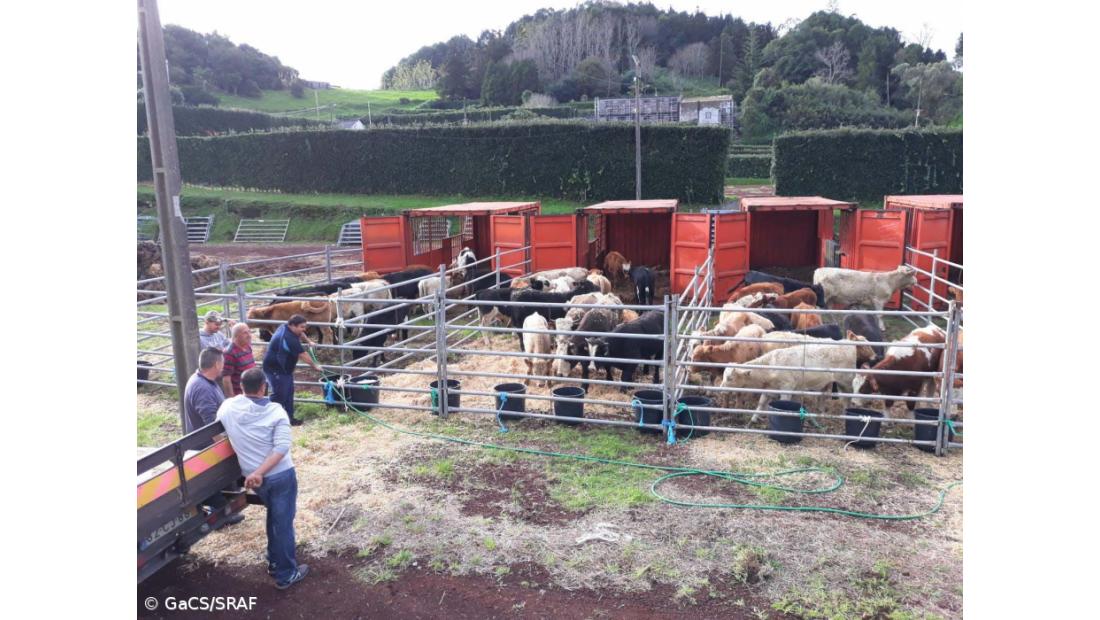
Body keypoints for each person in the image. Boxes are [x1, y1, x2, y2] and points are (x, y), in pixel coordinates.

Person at [217, 368, 309, 590]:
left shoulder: (228, 407)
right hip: (279, 475)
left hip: (254, 479)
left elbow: (220, 432)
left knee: (275, 516)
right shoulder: (276, 411)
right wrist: (261, 471)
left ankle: (274, 559)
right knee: (283, 522)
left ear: (242, 386)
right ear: (263, 387)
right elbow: (282, 447)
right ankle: (286, 573)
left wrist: (254, 472)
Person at [262, 314, 323, 426]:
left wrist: (308, 341)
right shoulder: (289, 338)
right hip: (275, 368)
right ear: (293, 326)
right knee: (279, 395)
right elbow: (303, 355)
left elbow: (301, 333)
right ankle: (267, 418)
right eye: (301, 327)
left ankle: (289, 418)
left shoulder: (285, 327)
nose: (304, 329)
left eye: (305, 326)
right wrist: (315, 366)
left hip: (285, 368)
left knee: (289, 392)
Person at [183, 347, 227, 434]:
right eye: (223, 363)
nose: (224, 366)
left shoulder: (203, 380)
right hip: (208, 446)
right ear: (217, 364)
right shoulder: (203, 389)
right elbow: (212, 428)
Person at [222, 322, 256, 397]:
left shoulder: (247, 346)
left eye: (249, 332)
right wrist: (232, 398)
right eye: (245, 333)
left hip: (252, 392)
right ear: (236, 336)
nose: (249, 335)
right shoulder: (229, 353)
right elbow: (226, 378)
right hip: (240, 395)